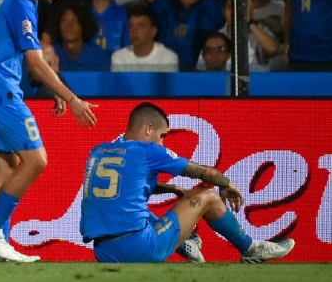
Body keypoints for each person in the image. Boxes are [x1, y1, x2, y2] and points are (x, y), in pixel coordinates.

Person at [0, 0, 98, 263]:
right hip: (1, 93)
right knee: (36, 161)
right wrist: (72, 99)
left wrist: (51, 88)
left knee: (6, 166)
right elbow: (35, 62)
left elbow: (25, 56)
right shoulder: (23, 2)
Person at [81, 101, 295, 263]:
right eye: (162, 135)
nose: (161, 142)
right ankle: (251, 249)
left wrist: (171, 188)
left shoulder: (99, 151)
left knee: (132, 209)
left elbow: (123, 189)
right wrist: (226, 183)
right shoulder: (148, 150)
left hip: (104, 251)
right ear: (148, 129)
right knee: (207, 195)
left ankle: (184, 243)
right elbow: (204, 173)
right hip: (141, 248)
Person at [110, 3, 179, 71]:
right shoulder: (119, 57)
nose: (134, 31)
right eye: (131, 26)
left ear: (153, 31)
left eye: (140, 26)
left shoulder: (167, 58)